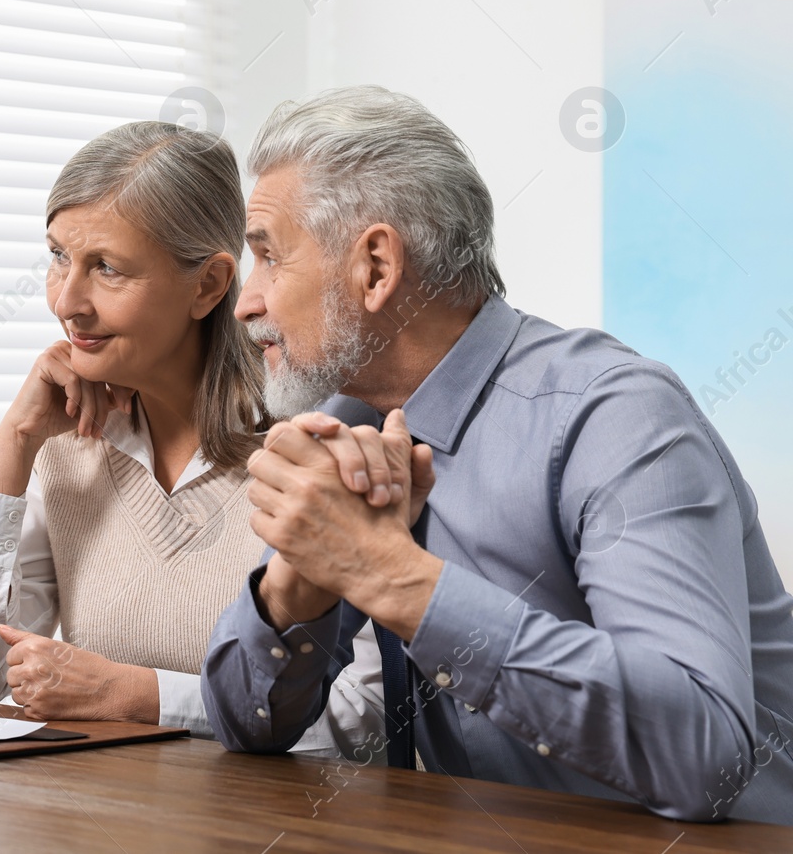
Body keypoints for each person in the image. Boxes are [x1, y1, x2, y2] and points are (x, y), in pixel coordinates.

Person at [201, 84, 793, 824]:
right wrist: (297, 581)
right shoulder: (347, 421)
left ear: (377, 267)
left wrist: (387, 575)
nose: (245, 301)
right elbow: (245, 723)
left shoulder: (615, 415)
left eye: (267, 257)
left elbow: (705, 758)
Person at [0, 121, 385, 753]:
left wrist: (140, 696)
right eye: (59, 257)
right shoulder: (66, 442)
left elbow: (365, 717)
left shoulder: (313, 443)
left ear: (208, 286)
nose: (68, 302)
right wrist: (16, 441)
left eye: (107, 268)